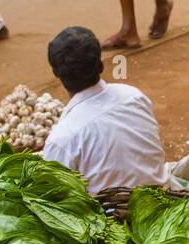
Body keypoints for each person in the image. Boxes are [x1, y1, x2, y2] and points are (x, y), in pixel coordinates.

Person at [41, 26, 168, 193]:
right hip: (160, 198)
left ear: (56, 73)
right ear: (101, 66)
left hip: (111, 209)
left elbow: (52, 196)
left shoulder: (63, 139)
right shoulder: (134, 97)